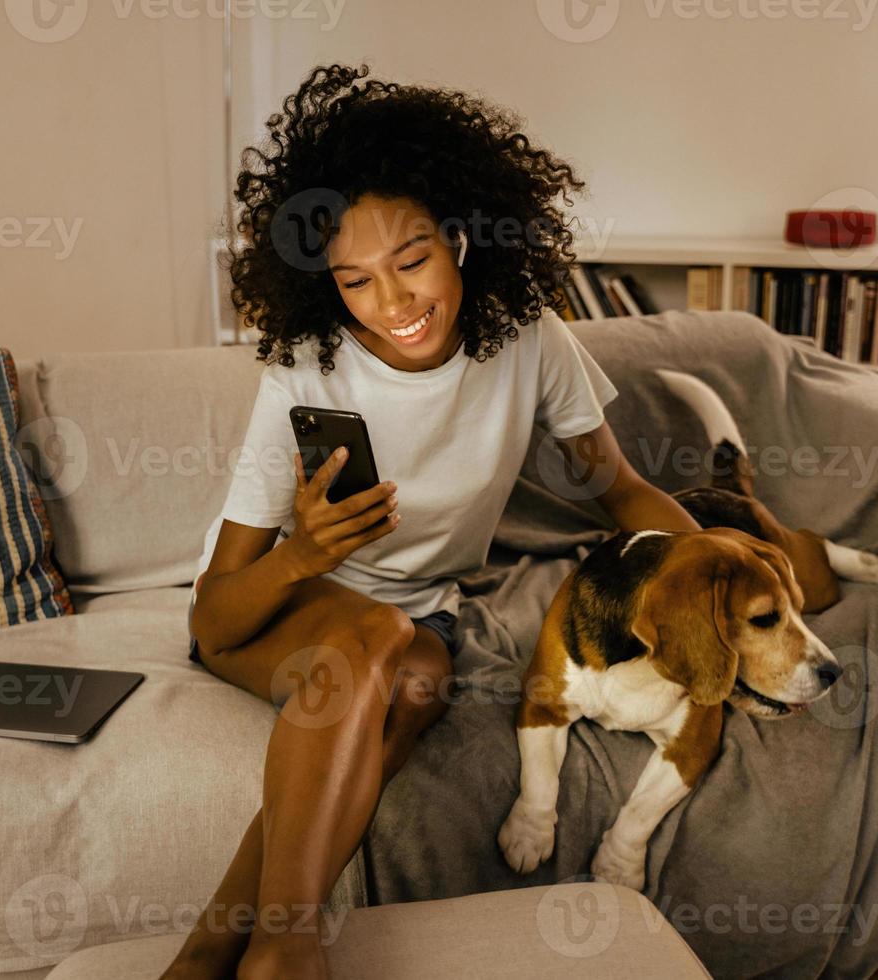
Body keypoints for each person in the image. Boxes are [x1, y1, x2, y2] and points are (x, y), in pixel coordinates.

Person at [164, 64, 702, 980]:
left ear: (458, 236)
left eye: (411, 262)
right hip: (283, 610)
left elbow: (617, 490)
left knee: (415, 681)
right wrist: (304, 555)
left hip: (422, 619)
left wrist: (719, 564)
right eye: (356, 281)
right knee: (373, 629)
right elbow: (213, 621)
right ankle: (283, 951)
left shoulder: (528, 338)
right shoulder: (306, 370)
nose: (395, 303)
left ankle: (214, 947)